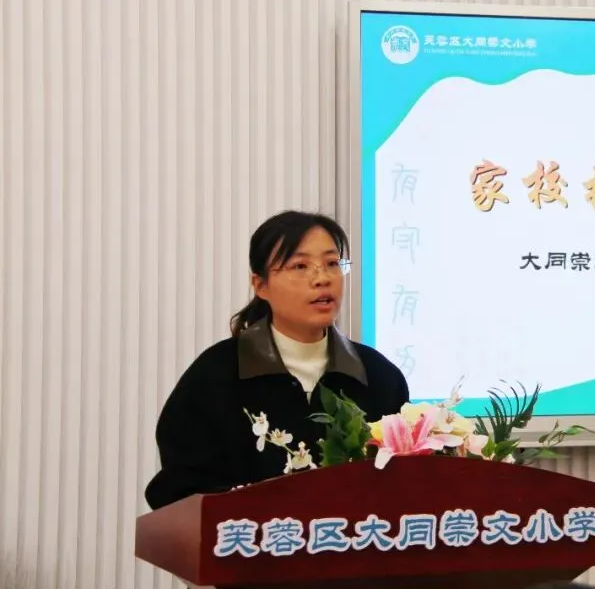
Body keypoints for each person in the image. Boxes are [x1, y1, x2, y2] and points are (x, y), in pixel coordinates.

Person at [144, 211, 409, 510]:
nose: (322, 278)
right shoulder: (216, 376)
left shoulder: (378, 376)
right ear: (261, 286)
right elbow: (181, 490)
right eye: (300, 266)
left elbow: (403, 485)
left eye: (333, 264)